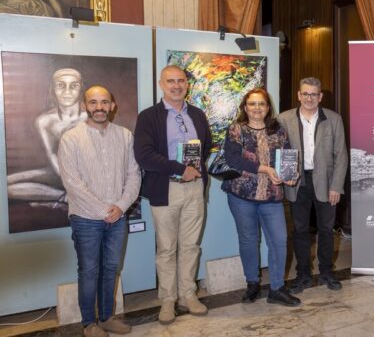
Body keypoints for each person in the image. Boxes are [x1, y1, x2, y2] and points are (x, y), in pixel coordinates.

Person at [58, 86, 140, 337]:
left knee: (111, 269)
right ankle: (88, 323)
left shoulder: (125, 136)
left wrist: (121, 206)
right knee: (89, 270)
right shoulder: (70, 139)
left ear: (112, 106)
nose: (99, 107)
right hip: (85, 218)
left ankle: (106, 317)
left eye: (105, 102)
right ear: (85, 106)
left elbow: (134, 175)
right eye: (93, 103)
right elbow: (72, 182)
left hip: (118, 217)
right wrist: (105, 209)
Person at [133, 65, 213, 324]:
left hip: (194, 189)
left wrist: (194, 172)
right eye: (171, 81)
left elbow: (205, 147)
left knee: (191, 245)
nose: (176, 85)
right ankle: (167, 300)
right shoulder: (148, 116)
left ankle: (188, 295)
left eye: (180, 81)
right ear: (161, 84)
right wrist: (180, 169)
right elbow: (144, 156)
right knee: (167, 248)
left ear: (187, 84)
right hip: (165, 189)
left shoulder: (198, 115)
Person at [222, 88, 300, 307]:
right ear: (245, 107)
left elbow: (286, 157)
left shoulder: (278, 130)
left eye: (261, 104)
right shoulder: (236, 130)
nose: (257, 108)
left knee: (279, 240)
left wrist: (290, 176)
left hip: (272, 195)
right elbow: (234, 159)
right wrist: (265, 168)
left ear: (268, 107)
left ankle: (276, 288)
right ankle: (252, 283)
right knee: (248, 240)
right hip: (241, 195)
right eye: (252, 104)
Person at [277, 77, 348, 293]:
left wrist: (336, 186)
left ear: (320, 97)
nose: (309, 98)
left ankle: (326, 272)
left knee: (326, 229)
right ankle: (303, 275)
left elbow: (341, 155)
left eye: (314, 94)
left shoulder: (333, 119)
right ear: (299, 95)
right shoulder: (283, 119)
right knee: (299, 230)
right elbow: (277, 152)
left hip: (326, 183)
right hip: (296, 181)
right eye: (305, 94)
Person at [8, 67, 86, 203]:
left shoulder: (91, 116)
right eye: (61, 85)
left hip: (88, 175)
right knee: (7, 184)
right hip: (59, 170)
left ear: (80, 89)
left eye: (73, 86)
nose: (67, 91)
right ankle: (64, 195)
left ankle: (63, 197)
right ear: (53, 89)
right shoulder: (44, 121)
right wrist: (65, 178)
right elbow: (51, 154)